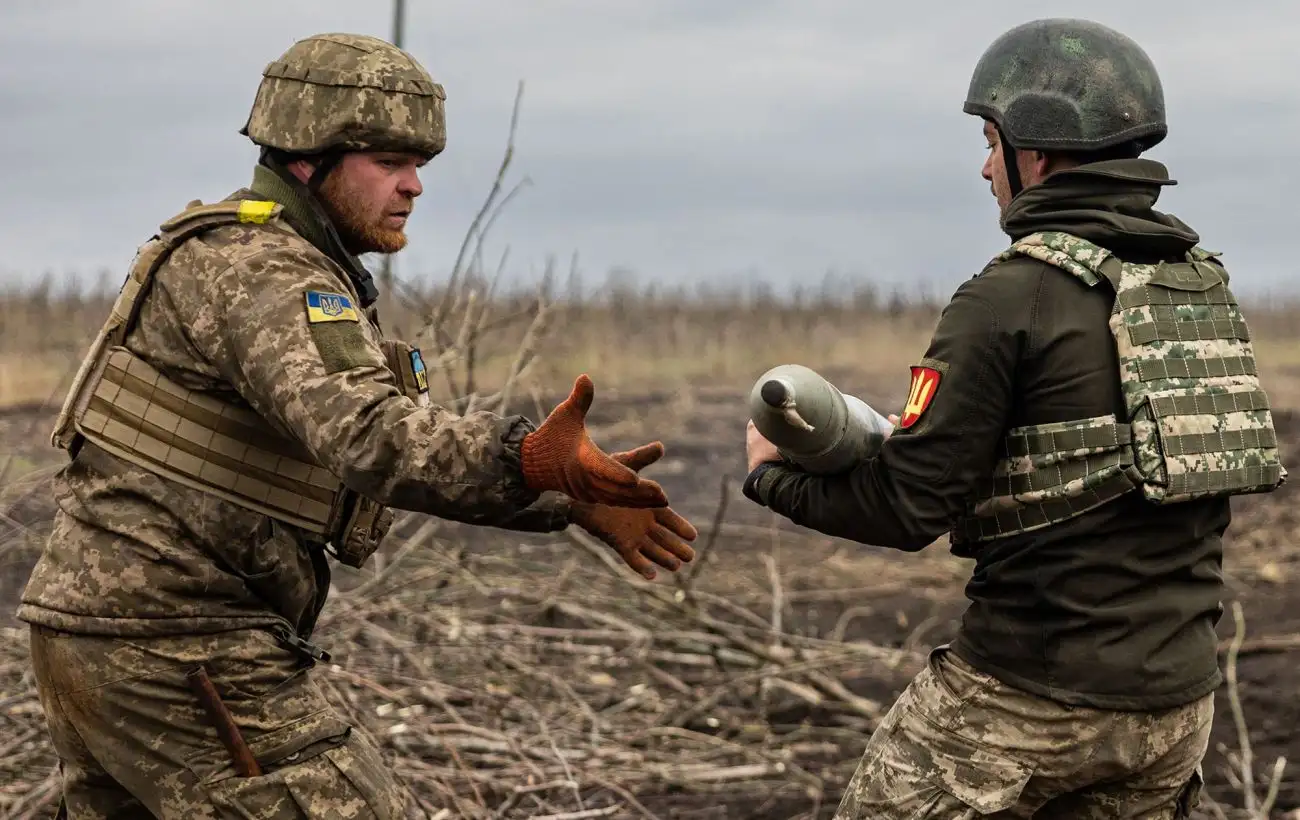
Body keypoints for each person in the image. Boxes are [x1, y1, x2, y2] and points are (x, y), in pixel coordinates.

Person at [18, 32, 697, 819]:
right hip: (178, 641)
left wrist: (562, 496)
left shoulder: (264, 258)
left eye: (420, 166)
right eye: (388, 161)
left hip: (109, 630)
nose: (413, 186)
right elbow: (370, 436)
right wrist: (527, 458)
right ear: (308, 157)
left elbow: (342, 447)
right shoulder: (262, 268)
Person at [743, 17, 1286, 820]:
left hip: (1027, 700)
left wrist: (767, 476)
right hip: (1176, 710)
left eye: (992, 143)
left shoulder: (1008, 296)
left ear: (1035, 152)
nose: (985, 167)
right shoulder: (1200, 287)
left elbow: (904, 508)